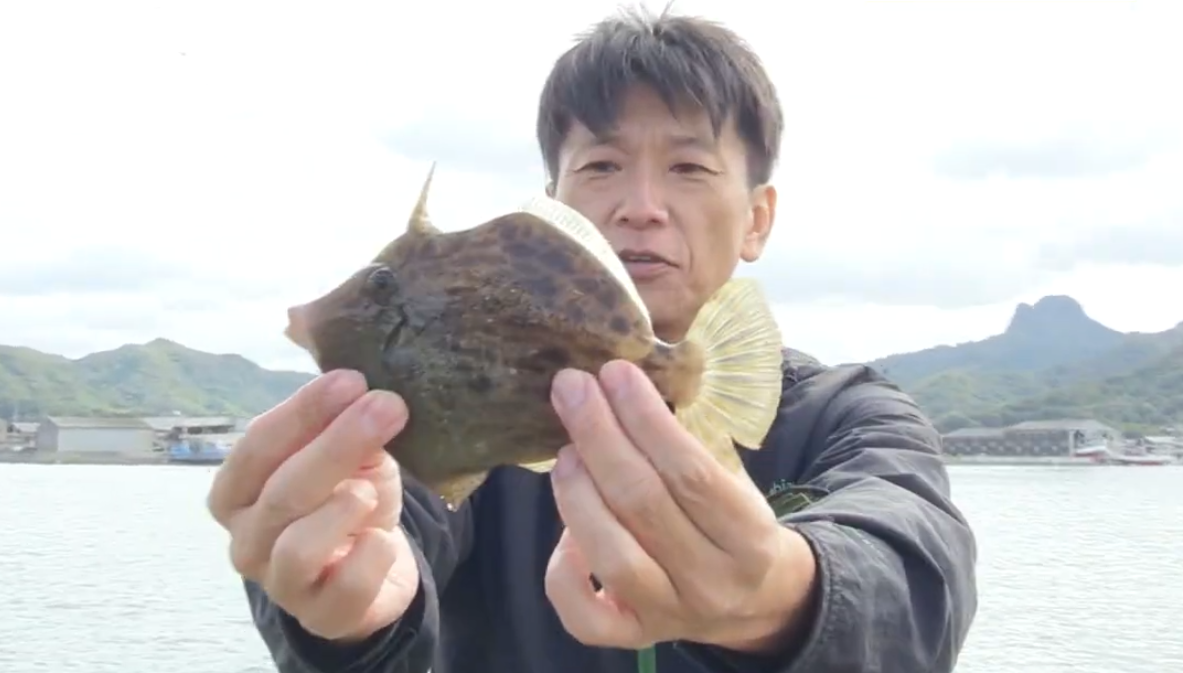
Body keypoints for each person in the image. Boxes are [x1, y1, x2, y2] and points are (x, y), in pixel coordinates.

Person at [207, 8, 978, 673]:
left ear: (756, 218)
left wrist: (783, 592)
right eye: (602, 164)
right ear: (553, 212)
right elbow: (396, 507)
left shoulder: (845, 414)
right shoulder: (470, 405)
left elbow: (917, 573)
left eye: (688, 166)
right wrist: (347, 604)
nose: (641, 205)